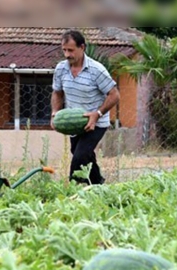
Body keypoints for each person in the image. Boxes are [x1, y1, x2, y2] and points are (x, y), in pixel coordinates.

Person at [50, 29, 120, 185]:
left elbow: (114, 95)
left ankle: (73, 189)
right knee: (81, 154)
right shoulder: (61, 68)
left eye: (71, 50)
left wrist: (97, 114)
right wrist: (55, 113)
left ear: (82, 47)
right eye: (64, 50)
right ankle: (98, 184)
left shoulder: (96, 70)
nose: (67, 54)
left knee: (80, 156)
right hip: (75, 121)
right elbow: (57, 92)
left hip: (96, 122)